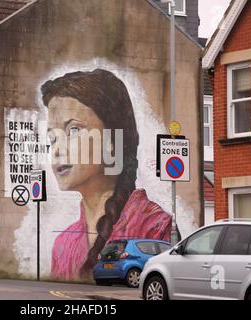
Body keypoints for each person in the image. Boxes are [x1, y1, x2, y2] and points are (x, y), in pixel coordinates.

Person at [41, 69, 172, 281]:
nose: (57, 149)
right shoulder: (63, 245)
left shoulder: (155, 225)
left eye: (73, 130)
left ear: (112, 141)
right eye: (52, 138)